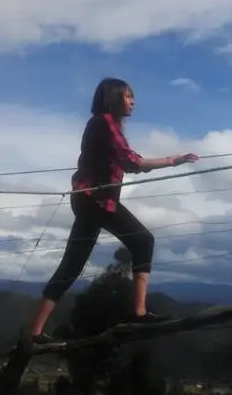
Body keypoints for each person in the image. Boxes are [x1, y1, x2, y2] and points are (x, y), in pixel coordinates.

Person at [28, 77, 199, 344]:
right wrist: (174, 160)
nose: (133, 101)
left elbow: (126, 161)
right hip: (97, 200)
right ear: (115, 97)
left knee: (71, 265)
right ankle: (138, 313)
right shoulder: (105, 122)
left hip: (88, 200)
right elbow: (132, 162)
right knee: (144, 240)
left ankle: (33, 333)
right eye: (128, 96)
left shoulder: (106, 125)